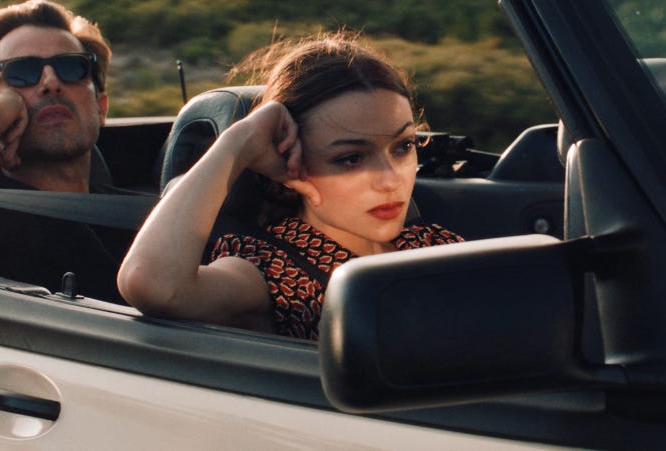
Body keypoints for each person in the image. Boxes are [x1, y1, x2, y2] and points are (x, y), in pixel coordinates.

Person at [117, 30, 463, 340]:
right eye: (351, 159)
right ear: (292, 159)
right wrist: (241, 141)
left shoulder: (429, 244)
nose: (390, 180)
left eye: (402, 147)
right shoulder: (274, 271)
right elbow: (151, 284)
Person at [0, 0, 123, 302]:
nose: (51, 82)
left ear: (101, 108)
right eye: (21, 72)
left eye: (70, 67)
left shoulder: (147, 219)